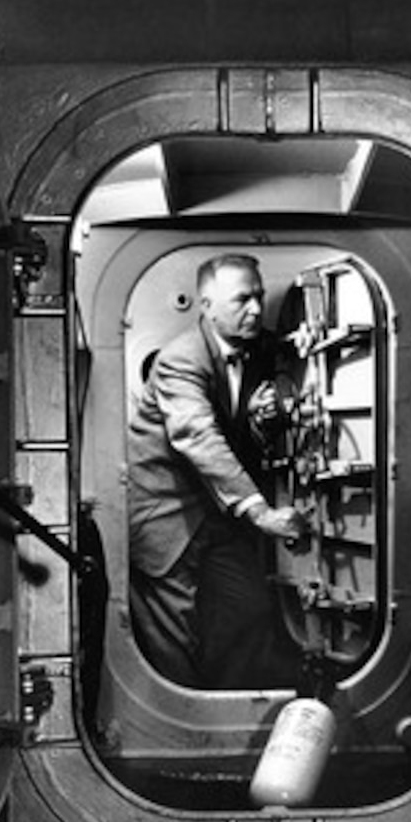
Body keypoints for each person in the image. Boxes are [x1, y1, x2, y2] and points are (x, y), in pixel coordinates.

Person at [126, 252, 307, 689]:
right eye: (241, 299)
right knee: (174, 643)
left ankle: (228, 722)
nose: (256, 310)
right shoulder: (180, 359)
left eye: (259, 297)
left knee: (250, 610)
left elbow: (279, 378)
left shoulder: (260, 349)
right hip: (165, 520)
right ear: (206, 306)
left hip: (216, 516)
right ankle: (179, 747)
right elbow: (197, 435)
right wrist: (261, 512)